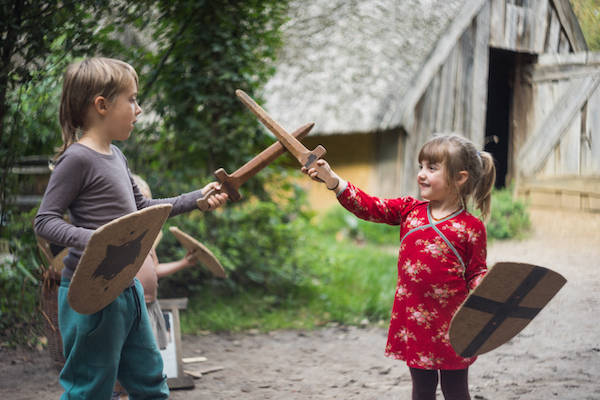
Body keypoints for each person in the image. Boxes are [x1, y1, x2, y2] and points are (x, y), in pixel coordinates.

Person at [34, 57, 228, 400]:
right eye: (132, 99)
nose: (138, 110)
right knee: (89, 390)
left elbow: (142, 210)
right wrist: (94, 240)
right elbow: (45, 220)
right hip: (90, 293)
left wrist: (195, 198)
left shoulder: (117, 156)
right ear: (102, 105)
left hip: (129, 287)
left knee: (151, 381)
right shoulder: (76, 159)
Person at [302, 133, 496, 400]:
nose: (421, 174)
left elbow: (476, 272)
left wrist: (487, 288)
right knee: (422, 388)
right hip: (413, 319)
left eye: (432, 168)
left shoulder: (471, 227)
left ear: (460, 178)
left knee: (456, 390)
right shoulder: (409, 210)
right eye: (421, 166)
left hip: (454, 324)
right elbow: (369, 206)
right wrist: (333, 181)